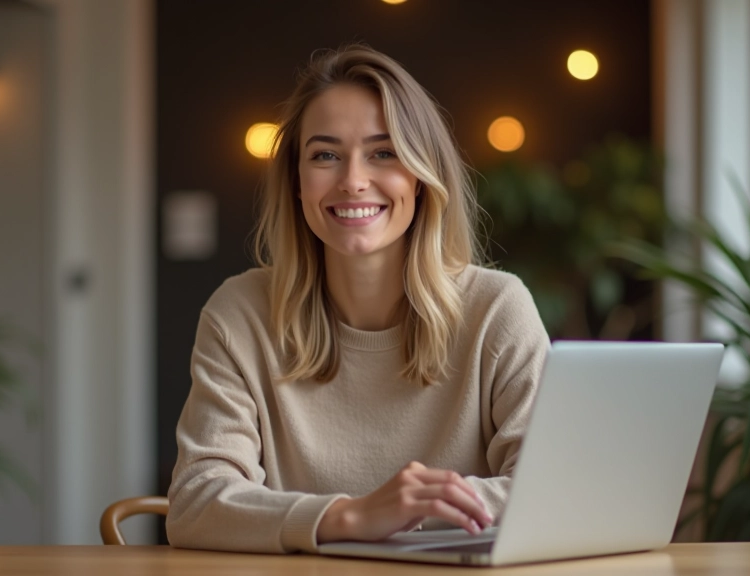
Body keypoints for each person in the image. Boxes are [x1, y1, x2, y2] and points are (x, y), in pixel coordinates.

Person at [165, 45, 550, 554]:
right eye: (325, 155)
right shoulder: (239, 313)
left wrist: (408, 512)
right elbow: (196, 503)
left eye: (383, 152)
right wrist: (355, 515)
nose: (352, 181)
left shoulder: (497, 308)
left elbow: (552, 490)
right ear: (297, 182)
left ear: (421, 177)